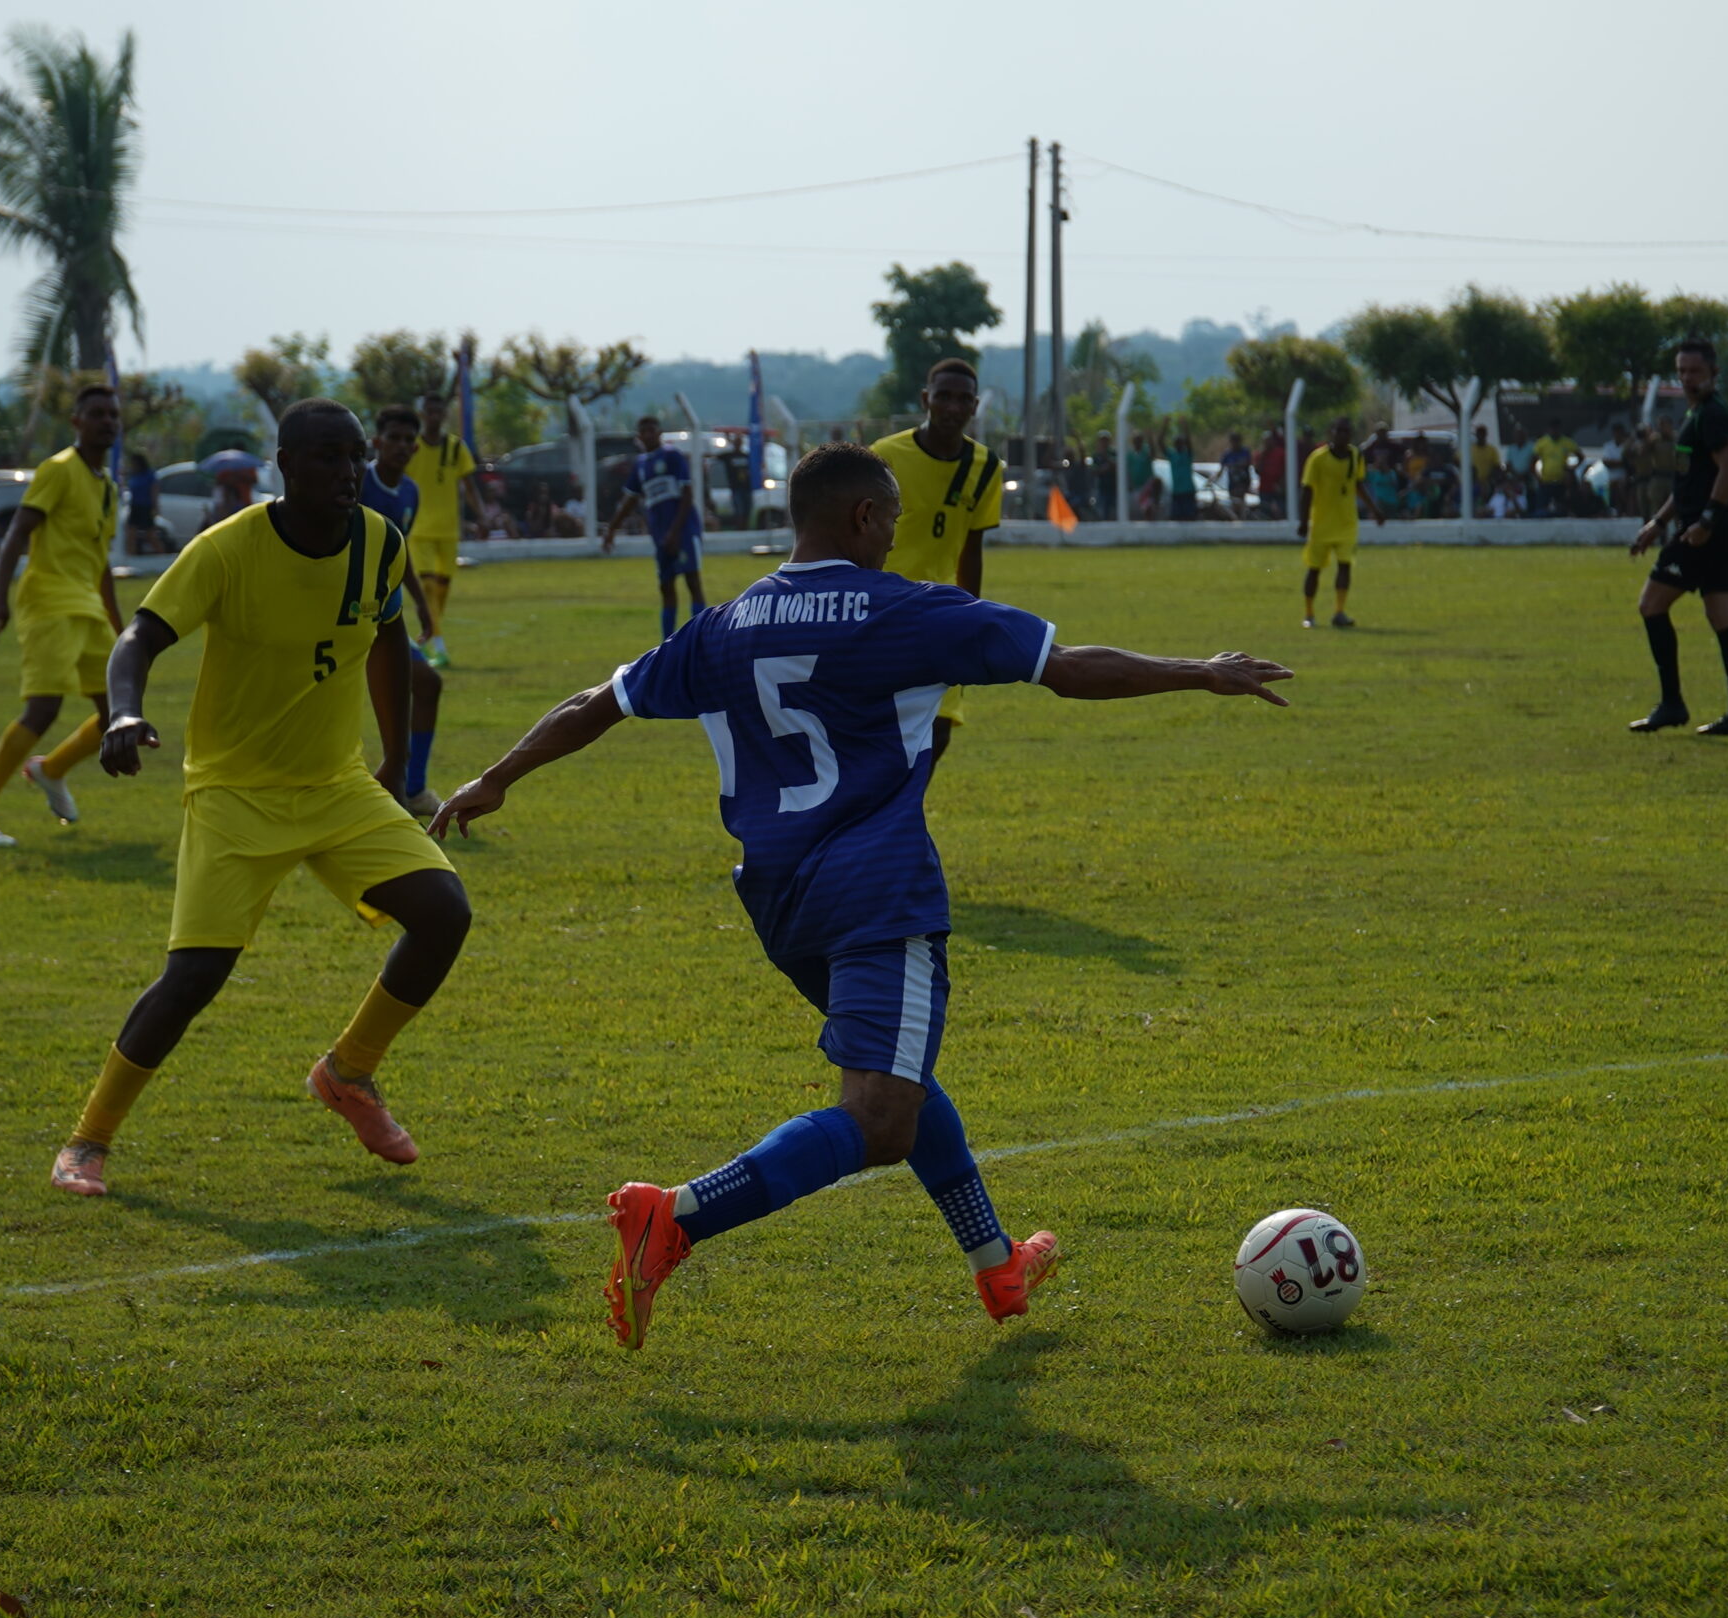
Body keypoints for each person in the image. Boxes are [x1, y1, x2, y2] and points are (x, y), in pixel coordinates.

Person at [429, 442, 1292, 1349]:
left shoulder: (722, 626)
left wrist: (498, 776)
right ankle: (676, 1213)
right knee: (880, 1118)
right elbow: (1066, 665)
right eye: (891, 520)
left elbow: (594, 702)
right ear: (862, 516)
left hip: (781, 901)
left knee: (900, 1076)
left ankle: (997, 1260)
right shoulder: (904, 609)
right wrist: (1202, 669)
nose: (893, 538)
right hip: (879, 893)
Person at [47, 398, 472, 1198]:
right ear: (285, 465)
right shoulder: (227, 549)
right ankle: (87, 1139)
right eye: (327, 457)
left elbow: (387, 638)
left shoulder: (379, 541)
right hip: (235, 793)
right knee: (194, 976)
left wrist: (395, 759)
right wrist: (125, 711)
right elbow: (139, 637)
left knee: (444, 911)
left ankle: (348, 1072)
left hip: (336, 784)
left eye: (354, 456)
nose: (348, 472)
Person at [0, 386, 126, 848]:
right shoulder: (58, 470)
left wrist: (121, 628)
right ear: (76, 421)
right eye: (97, 413)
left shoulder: (107, 487)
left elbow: (100, 563)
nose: (107, 421)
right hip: (49, 602)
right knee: (44, 709)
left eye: (113, 414)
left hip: (88, 607)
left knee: (117, 712)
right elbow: (18, 532)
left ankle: (51, 769)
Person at [870, 358, 1004, 765]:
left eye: (963, 399)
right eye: (943, 396)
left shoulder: (986, 467)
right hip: (882, 608)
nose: (952, 407)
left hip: (942, 611)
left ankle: (905, 803)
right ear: (925, 399)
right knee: (880, 724)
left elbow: (972, 547)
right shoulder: (884, 456)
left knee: (939, 728)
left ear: (974, 406)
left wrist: (972, 616)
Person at [1628, 339, 1728, 737]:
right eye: (1681, 371)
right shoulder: (1697, 414)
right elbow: (1690, 483)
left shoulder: (1711, 414)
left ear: (1714, 373)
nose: (1686, 378)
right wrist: (1658, 522)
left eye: (1694, 371)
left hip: (1705, 532)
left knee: (1651, 605)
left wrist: (1706, 521)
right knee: (1722, 617)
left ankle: (1672, 704)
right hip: (1720, 528)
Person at [360, 404, 448, 819]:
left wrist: (420, 603)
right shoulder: (358, 481)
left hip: (384, 613)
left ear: (415, 448)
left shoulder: (410, 491)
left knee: (427, 683)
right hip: (346, 612)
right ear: (377, 442)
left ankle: (413, 789)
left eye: (407, 440)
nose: (400, 446)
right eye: (392, 438)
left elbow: (399, 551)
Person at [603, 415, 708, 637]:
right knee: (666, 587)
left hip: (683, 531)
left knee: (692, 582)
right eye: (644, 432)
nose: (649, 435)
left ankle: (699, 639)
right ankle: (667, 643)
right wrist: (612, 529)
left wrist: (676, 532)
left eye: (652, 430)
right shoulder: (641, 465)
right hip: (660, 535)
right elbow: (630, 500)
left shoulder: (673, 456)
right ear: (638, 437)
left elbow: (687, 495)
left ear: (659, 433)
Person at [406, 391, 484, 665]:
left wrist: (482, 516)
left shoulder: (455, 448)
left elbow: (469, 486)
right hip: (419, 529)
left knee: (441, 590)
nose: (435, 417)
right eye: (430, 412)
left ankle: (426, 638)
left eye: (439, 412)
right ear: (422, 415)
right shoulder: (412, 447)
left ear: (445, 415)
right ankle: (439, 646)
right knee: (427, 587)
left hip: (449, 530)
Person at [1297, 416, 1386, 629]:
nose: (1343, 435)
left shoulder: (1355, 455)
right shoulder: (1317, 458)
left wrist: (1374, 510)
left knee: (1345, 566)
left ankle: (1339, 612)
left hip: (1347, 522)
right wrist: (1303, 521)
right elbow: (1307, 490)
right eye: (1339, 431)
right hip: (1321, 523)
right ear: (1331, 433)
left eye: (1346, 432)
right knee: (1314, 569)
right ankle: (1309, 614)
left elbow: (1358, 485)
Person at [125, 453, 163, 555]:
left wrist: (155, 507)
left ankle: (161, 554)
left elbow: (154, 491)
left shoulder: (149, 474)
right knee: (131, 534)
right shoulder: (134, 474)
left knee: (150, 535)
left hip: (145, 507)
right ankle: (131, 556)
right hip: (135, 507)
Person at [1256, 426, 1289, 520]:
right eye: (1265, 441)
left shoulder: (1281, 453)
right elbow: (1257, 471)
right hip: (1265, 489)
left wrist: (1282, 484)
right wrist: (1262, 457)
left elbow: (1286, 469)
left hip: (1278, 489)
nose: (1267, 443)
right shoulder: (1260, 454)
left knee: (1280, 512)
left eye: (1269, 440)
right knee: (1265, 514)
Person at [1220, 430, 1253, 517]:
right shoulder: (1227, 454)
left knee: (1241, 504)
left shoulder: (1245, 452)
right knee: (1234, 504)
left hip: (1243, 483)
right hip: (1232, 484)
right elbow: (1221, 469)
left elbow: (1248, 464)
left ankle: (1242, 518)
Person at [1167, 431, 1197, 521]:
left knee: (1190, 517)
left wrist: (1185, 428)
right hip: (1176, 492)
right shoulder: (1172, 455)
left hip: (1188, 492)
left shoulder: (1188, 454)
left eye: (1180, 443)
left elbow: (1189, 443)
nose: (1179, 445)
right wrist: (1164, 426)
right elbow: (1160, 443)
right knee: (1176, 518)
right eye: (1177, 443)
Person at [1467, 424, 1501, 503]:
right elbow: (1458, 460)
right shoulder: (1470, 449)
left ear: (1486, 435)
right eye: (1479, 434)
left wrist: (1488, 479)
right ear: (1476, 435)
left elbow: (1496, 466)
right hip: (1473, 482)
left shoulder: (1492, 450)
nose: (1481, 436)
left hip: (1487, 482)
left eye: (1482, 434)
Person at [1092, 430, 1119, 522]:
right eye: (1102, 440)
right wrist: (1105, 468)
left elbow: (1115, 466)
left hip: (1114, 488)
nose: (1104, 442)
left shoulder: (1114, 453)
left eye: (1105, 440)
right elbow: (1095, 470)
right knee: (1103, 512)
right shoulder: (1096, 455)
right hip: (1102, 488)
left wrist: (1106, 457)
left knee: (1116, 512)